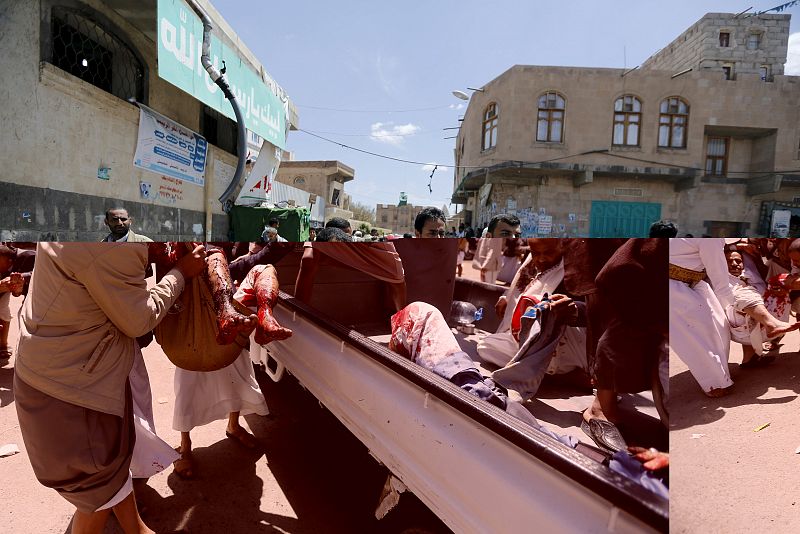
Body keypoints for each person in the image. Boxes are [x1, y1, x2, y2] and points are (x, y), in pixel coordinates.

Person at [14, 242, 205, 534]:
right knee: (97, 487)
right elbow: (139, 319)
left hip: (63, 369)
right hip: (71, 388)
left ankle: (136, 529)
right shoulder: (112, 243)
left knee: (110, 469)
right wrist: (180, 273)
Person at [172, 261, 290, 479]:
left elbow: (257, 260)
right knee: (189, 391)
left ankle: (234, 426)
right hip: (194, 330)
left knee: (237, 380)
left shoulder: (226, 253)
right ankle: (185, 446)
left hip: (232, 325)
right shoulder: (178, 254)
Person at [669, 238, 736, 397]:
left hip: (692, 280)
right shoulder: (710, 238)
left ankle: (721, 375)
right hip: (671, 285)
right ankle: (714, 384)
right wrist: (744, 306)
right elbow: (721, 284)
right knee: (694, 337)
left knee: (720, 326)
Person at [724, 248, 797, 367]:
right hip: (736, 325)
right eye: (729, 261)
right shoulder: (719, 282)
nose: (734, 264)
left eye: (738, 261)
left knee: (778, 283)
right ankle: (772, 325)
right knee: (744, 297)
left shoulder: (750, 275)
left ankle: (750, 359)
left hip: (758, 321)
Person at [0, 244, 35, 363]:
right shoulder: (5, 265)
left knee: (26, 317)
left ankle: (29, 356)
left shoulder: (29, 256)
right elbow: (16, 292)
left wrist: (21, 279)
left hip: (40, 294)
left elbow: (39, 274)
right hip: (22, 291)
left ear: (8, 260)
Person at [473, 214, 521, 284]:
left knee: (487, 282)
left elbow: (491, 253)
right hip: (491, 265)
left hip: (491, 265)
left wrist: (485, 265)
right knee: (489, 282)